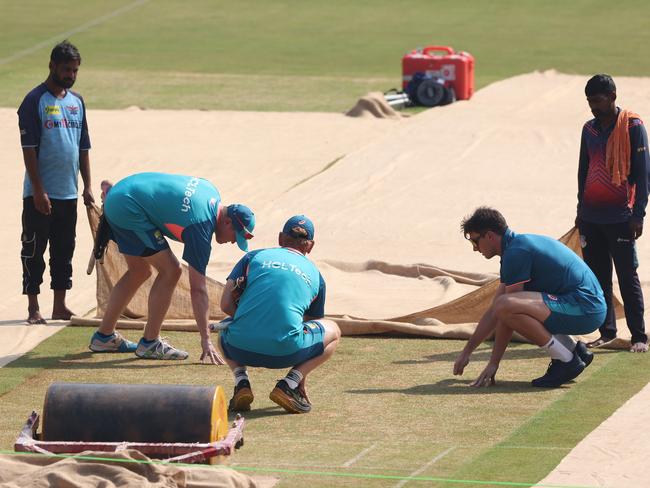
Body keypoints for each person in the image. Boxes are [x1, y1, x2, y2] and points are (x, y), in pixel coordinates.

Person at [88, 172, 255, 363]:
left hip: (122, 194)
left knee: (140, 271)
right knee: (172, 271)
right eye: (236, 236)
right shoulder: (200, 228)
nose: (234, 242)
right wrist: (206, 339)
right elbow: (198, 290)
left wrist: (115, 195)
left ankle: (104, 337)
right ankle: (150, 343)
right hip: (127, 207)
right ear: (227, 222)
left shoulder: (210, 190)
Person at [453, 207, 607, 388]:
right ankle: (574, 350)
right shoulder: (516, 247)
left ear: (489, 236)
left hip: (587, 310)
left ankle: (566, 360)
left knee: (507, 305)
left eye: (475, 241)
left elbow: (506, 312)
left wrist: (494, 363)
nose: (474, 249)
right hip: (585, 306)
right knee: (505, 304)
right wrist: (467, 352)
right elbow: (495, 310)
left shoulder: (516, 253)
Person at [217, 215, 341, 413]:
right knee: (333, 330)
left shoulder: (252, 257)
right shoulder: (316, 275)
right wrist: (302, 377)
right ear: (310, 246)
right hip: (286, 353)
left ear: (280, 239)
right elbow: (310, 326)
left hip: (239, 347)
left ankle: (241, 382)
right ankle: (290, 384)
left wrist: (243, 318)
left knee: (225, 325)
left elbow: (225, 304)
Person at [18, 40, 94, 324]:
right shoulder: (34, 100)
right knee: (34, 249)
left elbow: (83, 147)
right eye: (66, 70)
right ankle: (33, 307)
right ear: (51, 66)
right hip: (39, 195)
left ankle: (59, 305)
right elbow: (28, 149)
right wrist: (38, 190)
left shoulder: (77, 102)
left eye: (75, 71)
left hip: (68, 193)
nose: (70, 76)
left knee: (64, 250)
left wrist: (86, 186)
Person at [577, 74, 650, 353]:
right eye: (589, 102)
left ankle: (639, 336)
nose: (593, 107)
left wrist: (639, 215)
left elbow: (643, 175)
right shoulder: (589, 129)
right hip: (591, 216)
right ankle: (606, 331)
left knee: (627, 275)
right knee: (598, 277)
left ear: (612, 97)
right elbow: (583, 170)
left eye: (597, 101)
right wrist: (579, 209)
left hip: (621, 216)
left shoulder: (632, 126)